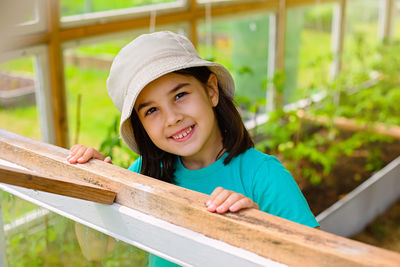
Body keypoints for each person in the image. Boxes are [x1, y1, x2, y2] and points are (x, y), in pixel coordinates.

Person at [67, 31, 319, 266]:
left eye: (180, 95)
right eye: (152, 110)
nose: (172, 118)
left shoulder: (264, 177)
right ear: (142, 126)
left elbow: (315, 259)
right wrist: (91, 186)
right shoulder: (144, 175)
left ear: (211, 90)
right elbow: (96, 251)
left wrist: (257, 229)